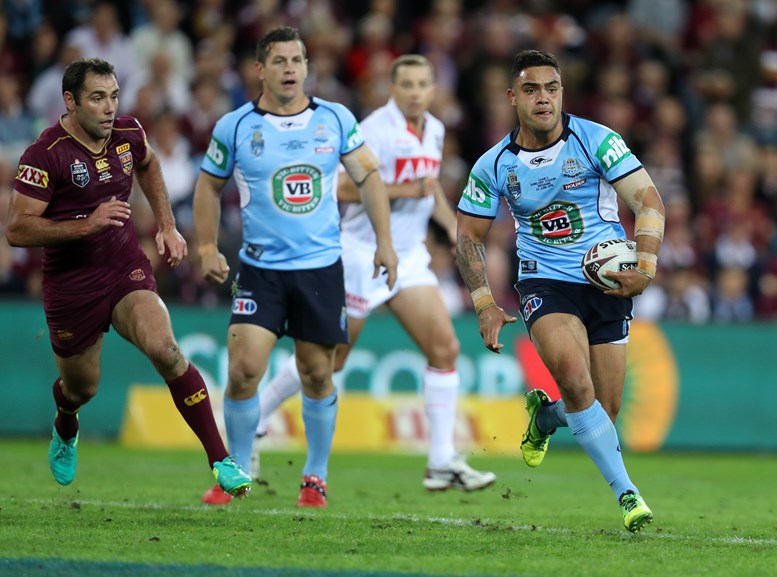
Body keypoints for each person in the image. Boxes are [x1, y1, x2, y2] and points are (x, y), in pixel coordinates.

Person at [4, 57, 251, 497]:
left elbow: (149, 164)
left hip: (124, 268)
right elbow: (17, 228)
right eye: (97, 98)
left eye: (114, 96)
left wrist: (167, 224)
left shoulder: (128, 133)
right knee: (83, 388)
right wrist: (87, 224)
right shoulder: (44, 154)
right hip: (71, 285)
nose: (109, 107)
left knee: (168, 351)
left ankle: (221, 459)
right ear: (70, 101)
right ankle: (66, 421)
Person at [254, 54, 496, 492]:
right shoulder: (374, 130)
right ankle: (257, 414)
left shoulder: (436, 130)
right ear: (393, 88)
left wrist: (453, 226)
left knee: (445, 348)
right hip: (362, 251)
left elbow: (430, 189)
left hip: (410, 255)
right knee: (334, 357)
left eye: (424, 83)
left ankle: (441, 460)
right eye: (407, 84)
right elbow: (344, 186)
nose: (417, 92)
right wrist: (408, 189)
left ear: (433, 89)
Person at [455, 50, 665, 532]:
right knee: (575, 378)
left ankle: (546, 418)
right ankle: (627, 495)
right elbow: (468, 236)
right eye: (531, 89)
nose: (543, 98)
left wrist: (647, 266)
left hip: (605, 280)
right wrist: (485, 302)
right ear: (513, 97)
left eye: (551, 88)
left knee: (602, 411)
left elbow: (648, 201)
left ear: (562, 93)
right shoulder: (494, 166)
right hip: (543, 280)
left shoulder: (597, 141)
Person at [193, 26, 398, 507]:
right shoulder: (236, 126)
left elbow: (368, 176)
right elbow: (207, 186)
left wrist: (384, 243)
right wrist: (205, 247)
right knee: (244, 371)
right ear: (260, 69)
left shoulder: (336, 118)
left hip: (321, 269)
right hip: (260, 270)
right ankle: (236, 471)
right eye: (280, 61)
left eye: (297, 60)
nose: (290, 69)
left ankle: (315, 475)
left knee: (317, 374)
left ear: (307, 67)